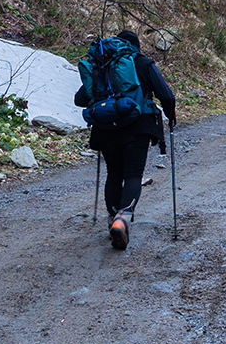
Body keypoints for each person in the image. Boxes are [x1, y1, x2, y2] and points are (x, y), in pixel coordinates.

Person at [73, 28, 177, 250]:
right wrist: (171, 117)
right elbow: (167, 95)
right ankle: (123, 218)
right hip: (137, 128)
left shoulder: (104, 64)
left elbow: (81, 99)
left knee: (114, 173)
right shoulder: (142, 63)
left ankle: (113, 218)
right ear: (135, 46)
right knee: (132, 175)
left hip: (104, 129)